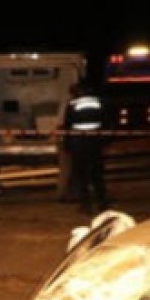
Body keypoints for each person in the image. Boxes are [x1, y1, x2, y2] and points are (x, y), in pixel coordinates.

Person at [61, 83, 108, 215]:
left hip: (79, 143)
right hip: (95, 142)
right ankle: (102, 202)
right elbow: (106, 121)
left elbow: (68, 126)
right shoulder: (98, 102)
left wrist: (67, 145)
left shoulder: (73, 105)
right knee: (97, 175)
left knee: (81, 175)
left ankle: (85, 205)